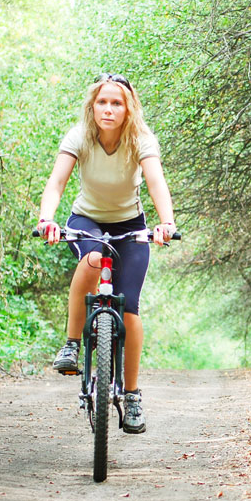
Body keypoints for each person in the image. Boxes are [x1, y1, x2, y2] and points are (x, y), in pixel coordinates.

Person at [36, 73, 176, 434]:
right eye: (102, 102)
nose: (109, 109)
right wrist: (46, 219)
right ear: (92, 106)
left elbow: (156, 180)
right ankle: (70, 343)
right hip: (87, 220)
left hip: (130, 224)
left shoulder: (141, 139)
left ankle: (131, 397)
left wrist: (166, 224)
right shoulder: (80, 136)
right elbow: (57, 182)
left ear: (128, 108)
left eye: (117, 103)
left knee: (129, 308)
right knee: (94, 257)